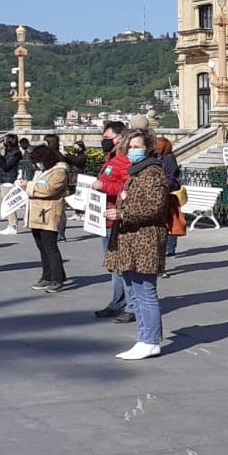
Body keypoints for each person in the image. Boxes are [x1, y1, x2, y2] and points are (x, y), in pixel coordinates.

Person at [103, 129, 170, 359]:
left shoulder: (152, 172)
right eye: (130, 147)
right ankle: (145, 337)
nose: (133, 151)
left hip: (145, 239)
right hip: (132, 238)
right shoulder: (136, 172)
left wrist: (122, 214)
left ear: (148, 148)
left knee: (145, 292)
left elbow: (153, 207)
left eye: (137, 147)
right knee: (135, 290)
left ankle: (150, 340)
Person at [92, 121, 134, 321]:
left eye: (108, 138)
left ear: (120, 138)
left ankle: (131, 306)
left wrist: (104, 187)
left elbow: (128, 189)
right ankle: (118, 301)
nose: (105, 142)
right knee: (113, 264)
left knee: (123, 265)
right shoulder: (110, 159)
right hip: (105, 217)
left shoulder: (124, 161)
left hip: (117, 218)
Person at [22, 145, 70, 293]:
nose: (36, 164)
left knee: (50, 247)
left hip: (49, 213)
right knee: (42, 247)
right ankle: (48, 275)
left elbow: (49, 190)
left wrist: (29, 186)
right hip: (37, 212)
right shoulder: (41, 171)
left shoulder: (59, 171)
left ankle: (57, 279)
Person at [154, 136, 184, 262]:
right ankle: (166, 247)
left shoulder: (168, 158)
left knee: (170, 220)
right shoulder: (160, 157)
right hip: (164, 192)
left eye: (157, 145)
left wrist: (163, 186)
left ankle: (170, 247)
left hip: (169, 193)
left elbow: (172, 177)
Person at [0, 134, 22, 235]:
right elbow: (1, 164)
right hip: (4, 178)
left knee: (9, 203)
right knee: (6, 202)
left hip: (9, 179)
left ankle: (12, 225)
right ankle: (10, 224)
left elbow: (6, 166)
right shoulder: (8, 152)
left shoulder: (16, 153)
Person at [43, 134, 70, 241]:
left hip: (54, 183)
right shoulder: (59, 154)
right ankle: (60, 233)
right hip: (61, 184)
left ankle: (58, 232)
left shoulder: (52, 155)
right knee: (60, 210)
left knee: (57, 210)